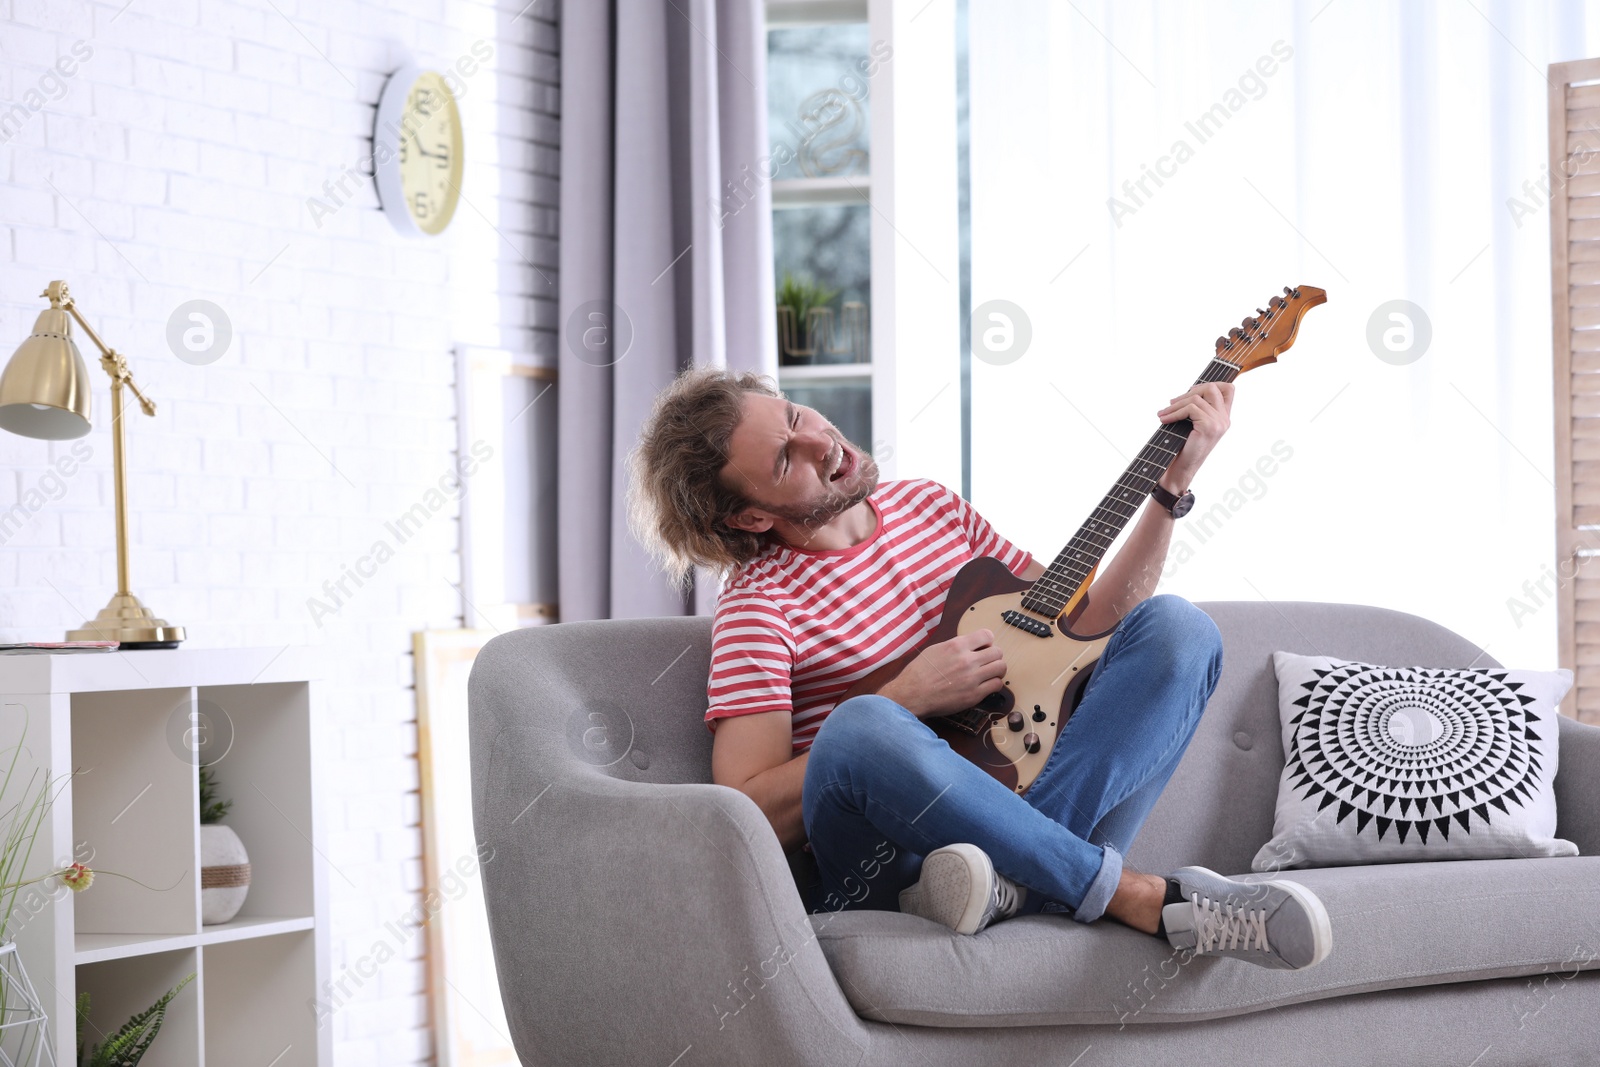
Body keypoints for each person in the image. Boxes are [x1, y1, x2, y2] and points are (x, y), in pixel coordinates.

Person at [625, 366, 1331, 969]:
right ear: (751, 519)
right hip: (894, 866)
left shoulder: (929, 505)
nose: (821, 441)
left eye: (796, 415)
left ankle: (1019, 882)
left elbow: (1085, 628)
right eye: (786, 460)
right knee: (863, 723)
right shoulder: (759, 604)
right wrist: (904, 697)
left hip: (996, 837)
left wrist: (1171, 487)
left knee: (1180, 629)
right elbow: (744, 806)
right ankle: (1133, 895)